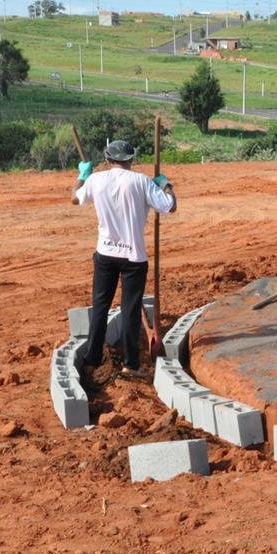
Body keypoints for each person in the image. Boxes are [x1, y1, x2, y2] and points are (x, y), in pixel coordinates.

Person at [72, 139, 177, 379]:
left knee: (100, 307)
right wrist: (165, 184)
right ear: (131, 160)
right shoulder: (141, 181)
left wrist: (82, 175)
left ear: (108, 160)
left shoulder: (95, 180)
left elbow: (75, 198)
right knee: (130, 310)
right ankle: (131, 364)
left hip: (105, 254)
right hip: (133, 257)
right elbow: (170, 206)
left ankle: (91, 360)